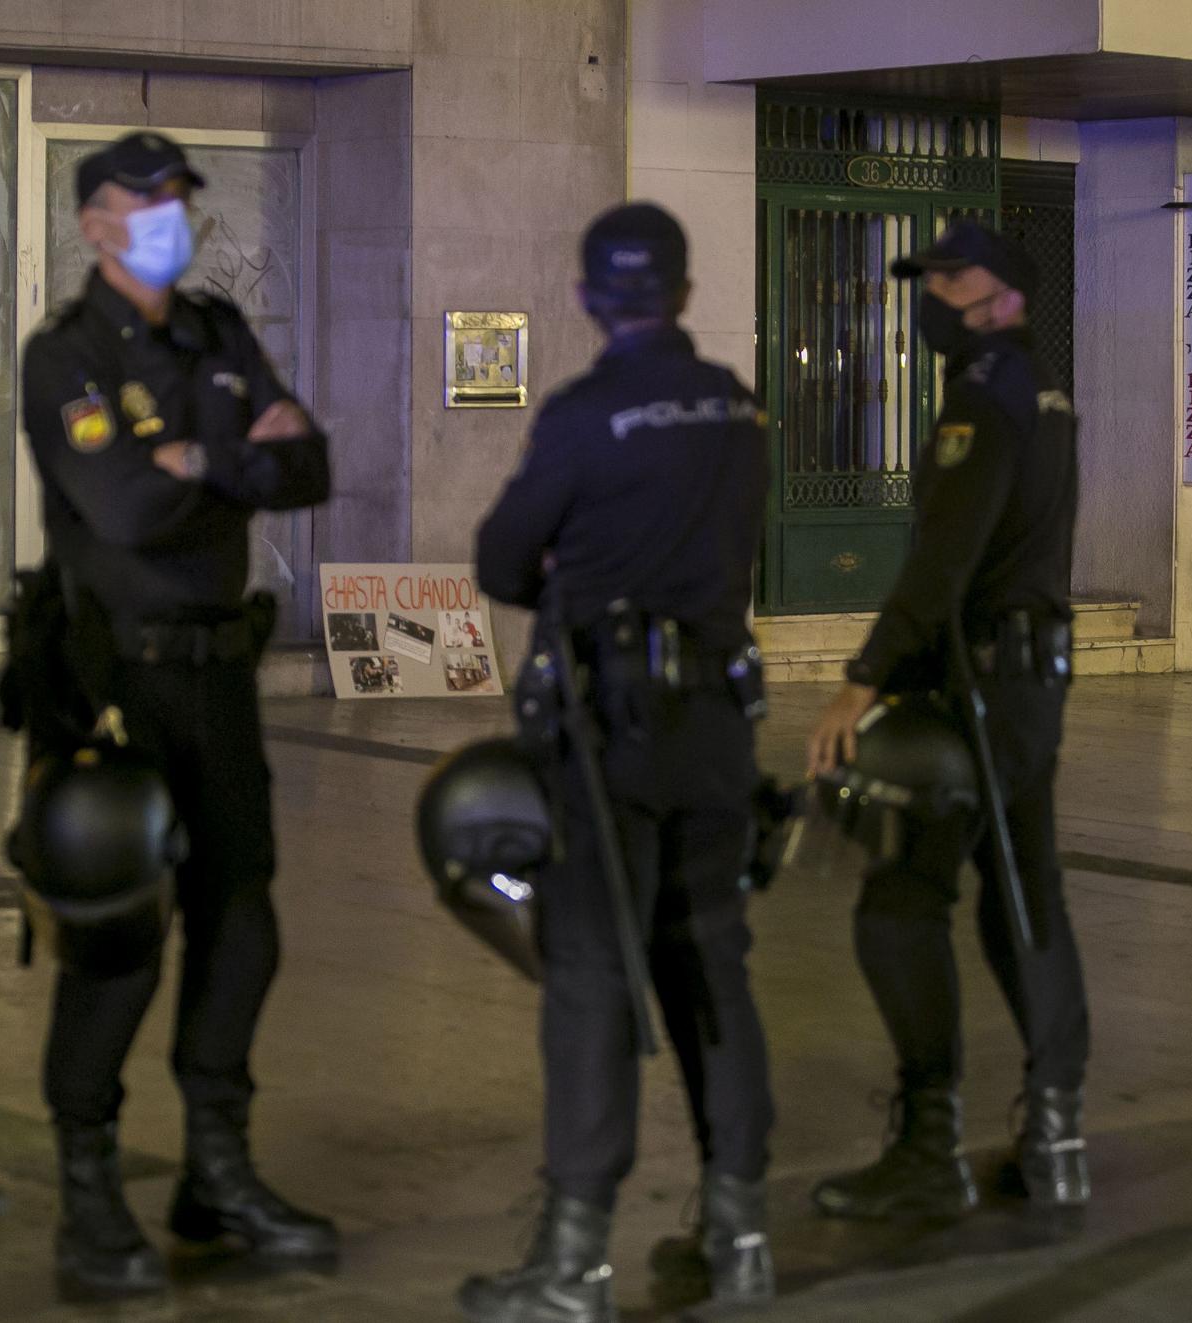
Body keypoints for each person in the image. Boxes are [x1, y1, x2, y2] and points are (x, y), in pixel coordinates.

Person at [16, 130, 335, 1302]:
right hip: (112, 691)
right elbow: (125, 504)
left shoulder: (214, 329)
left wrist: (199, 455)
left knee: (240, 924)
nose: (167, 217)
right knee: (114, 947)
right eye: (142, 202)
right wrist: (225, 452)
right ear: (95, 220)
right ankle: (89, 1200)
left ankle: (216, 1172)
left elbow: (308, 468)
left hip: (216, 681)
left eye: (177, 200)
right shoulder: (66, 358)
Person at [465, 202, 777, 1323]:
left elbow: (501, 560)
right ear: (684, 293)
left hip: (605, 734)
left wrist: (569, 559)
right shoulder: (740, 409)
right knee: (711, 966)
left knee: (592, 981)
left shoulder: (586, 412)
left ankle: (571, 1265)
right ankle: (740, 1234)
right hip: (715, 728)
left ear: (591, 296)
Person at [806, 220, 1091, 1221]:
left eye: (951, 278)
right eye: (925, 279)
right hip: (1029, 683)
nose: (931, 295)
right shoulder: (1045, 392)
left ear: (1004, 292)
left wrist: (863, 678)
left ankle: (928, 1149)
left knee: (901, 897)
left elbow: (943, 561)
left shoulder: (980, 401)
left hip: (977, 684)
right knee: (1023, 899)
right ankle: (1055, 1136)